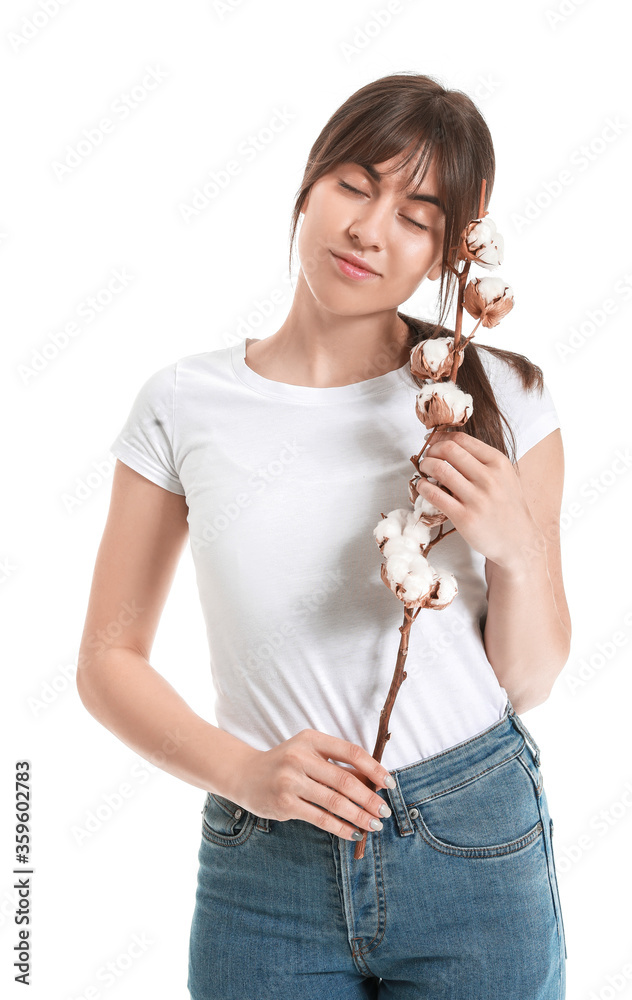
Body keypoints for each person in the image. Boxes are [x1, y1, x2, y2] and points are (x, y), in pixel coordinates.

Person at [76, 73, 570, 999]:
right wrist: (247, 774)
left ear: (447, 255)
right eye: (354, 182)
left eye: (418, 214)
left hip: (472, 839)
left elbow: (532, 679)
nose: (370, 229)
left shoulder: (501, 396)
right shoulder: (184, 404)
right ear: (307, 186)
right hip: (263, 866)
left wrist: (515, 547)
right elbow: (107, 658)